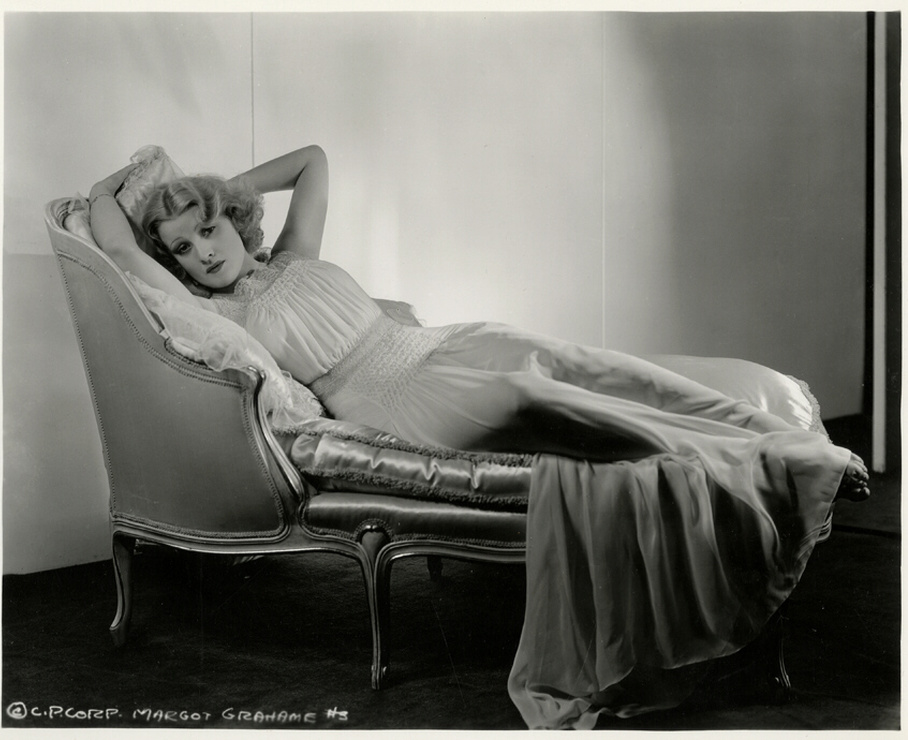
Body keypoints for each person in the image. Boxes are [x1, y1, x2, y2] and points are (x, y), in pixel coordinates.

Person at [88, 145, 869, 727]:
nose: (204, 252)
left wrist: (217, 190)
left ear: (232, 218)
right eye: (183, 249)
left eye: (210, 228)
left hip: (441, 345)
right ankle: (780, 460)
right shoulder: (215, 312)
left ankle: (778, 438)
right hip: (395, 398)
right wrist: (103, 195)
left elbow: (313, 160)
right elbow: (117, 248)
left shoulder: (295, 255)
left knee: (584, 362)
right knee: (534, 394)